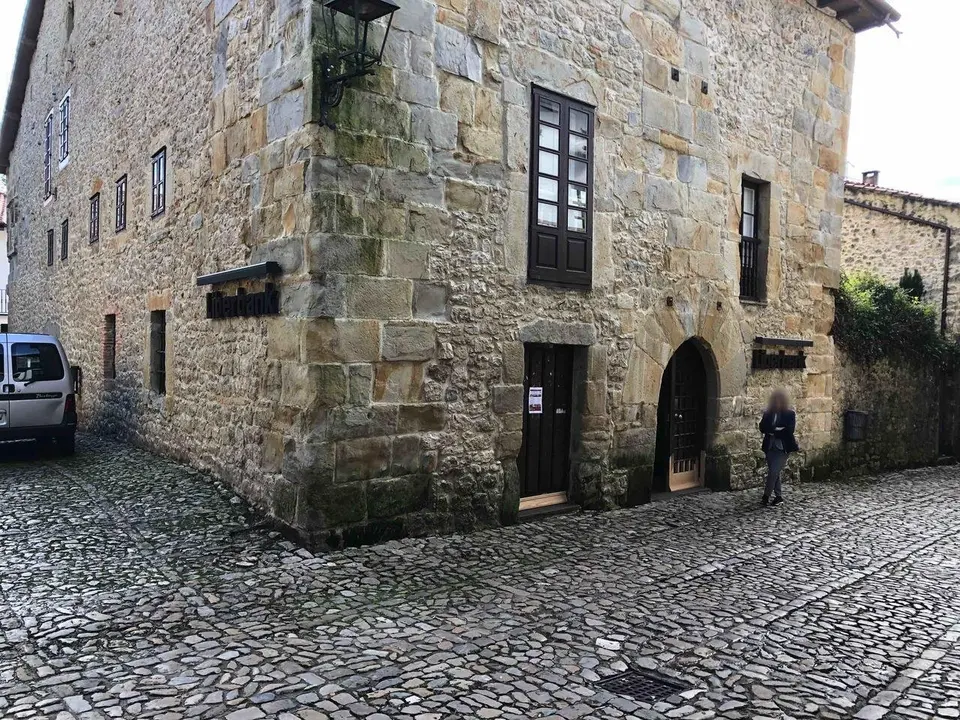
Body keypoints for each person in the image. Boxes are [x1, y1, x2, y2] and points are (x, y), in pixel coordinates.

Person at [758, 390, 799, 507]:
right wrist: (776, 429)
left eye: (779, 400)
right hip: (770, 447)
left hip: (782, 448)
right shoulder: (768, 414)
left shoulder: (789, 414)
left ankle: (765, 496)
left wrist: (773, 431)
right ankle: (778, 497)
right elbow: (762, 427)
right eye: (775, 400)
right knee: (774, 472)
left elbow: (789, 431)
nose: (777, 403)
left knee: (773, 472)